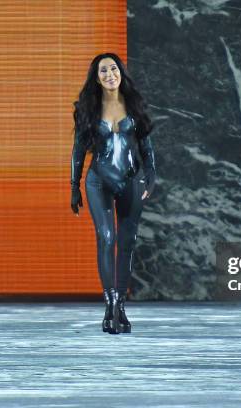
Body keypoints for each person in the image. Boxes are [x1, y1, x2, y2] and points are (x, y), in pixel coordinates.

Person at [70, 53, 156, 334]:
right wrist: (73, 186)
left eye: (114, 68)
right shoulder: (88, 108)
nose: (110, 74)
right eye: (103, 70)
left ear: (121, 73)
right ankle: (110, 304)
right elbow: (79, 150)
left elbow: (146, 147)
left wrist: (151, 177)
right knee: (106, 238)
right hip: (98, 181)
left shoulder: (134, 104)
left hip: (131, 181)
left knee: (127, 241)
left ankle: (120, 306)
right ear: (96, 77)